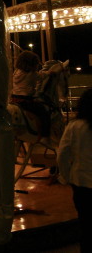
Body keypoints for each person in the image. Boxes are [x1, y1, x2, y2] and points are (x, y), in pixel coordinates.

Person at [57, 89, 92, 252]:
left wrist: (66, 177)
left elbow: (62, 155)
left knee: (85, 224)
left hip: (81, 181)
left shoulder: (74, 126)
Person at [10, 50, 51, 137]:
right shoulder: (32, 74)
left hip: (14, 99)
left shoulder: (16, 72)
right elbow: (42, 76)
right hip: (26, 100)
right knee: (43, 111)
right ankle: (44, 134)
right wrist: (51, 72)